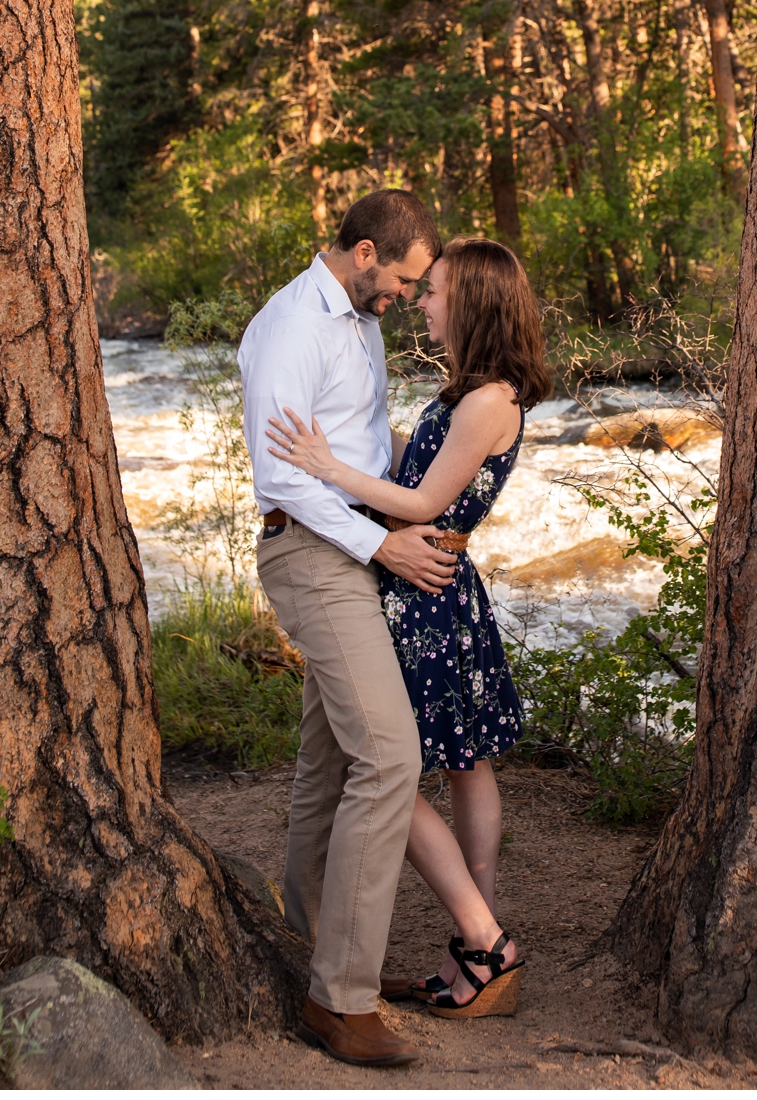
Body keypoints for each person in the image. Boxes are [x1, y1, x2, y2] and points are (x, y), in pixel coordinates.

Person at [264, 235, 551, 1019]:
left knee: (389, 758)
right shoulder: (476, 392)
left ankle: (482, 939)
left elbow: (421, 503)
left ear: (473, 301)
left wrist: (328, 468)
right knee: (459, 760)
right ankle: (474, 938)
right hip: (437, 582)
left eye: (435, 290)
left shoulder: (490, 398)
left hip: (423, 583)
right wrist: (357, 443)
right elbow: (423, 466)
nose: (421, 300)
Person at [235, 190, 454, 1069]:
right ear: (365, 253)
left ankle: (314, 950)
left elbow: (357, 444)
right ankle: (341, 998)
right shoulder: (292, 328)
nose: (405, 295)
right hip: (315, 555)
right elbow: (283, 479)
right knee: (390, 756)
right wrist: (385, 546)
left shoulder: (357, 318)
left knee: (329, 762)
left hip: (355, 551)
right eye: (401, 279)